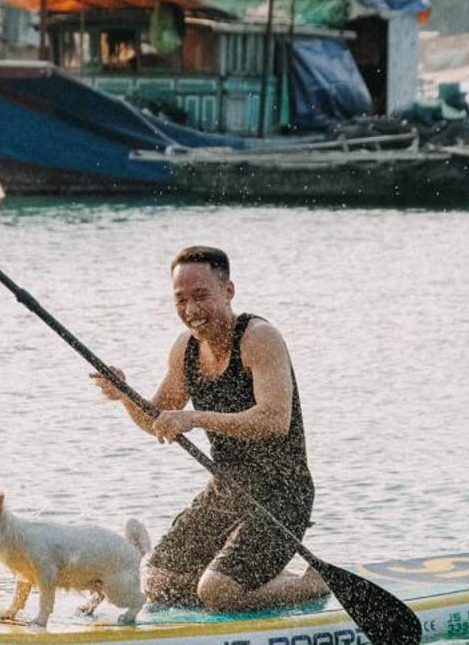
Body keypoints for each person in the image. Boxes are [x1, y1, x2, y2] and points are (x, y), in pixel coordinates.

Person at [92, 245, 327, 612]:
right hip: (227, 489)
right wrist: (124, 395)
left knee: (217, 593)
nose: (191, 311)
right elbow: (158, 420)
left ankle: (310, 584)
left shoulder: (259, 339)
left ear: (228, 291)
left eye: (201, 296)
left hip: (283, 493)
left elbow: (273, 421)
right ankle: (251, 580)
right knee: (157, 581)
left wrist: (195, 418)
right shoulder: (185, 349)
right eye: (180, 300)